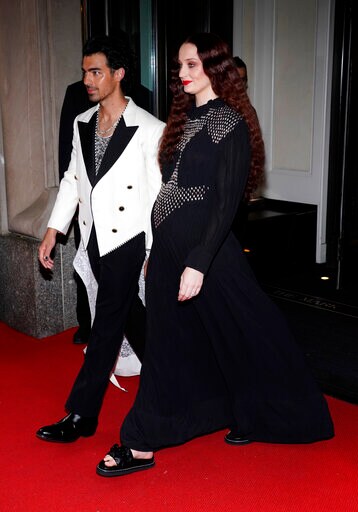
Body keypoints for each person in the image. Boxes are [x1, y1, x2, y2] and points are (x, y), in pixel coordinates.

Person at [95, 33, 334, 477]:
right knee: (169, 343)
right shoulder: (183, 119)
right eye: (179, 67)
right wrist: (157, 249)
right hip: (169, 250)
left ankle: (284, 413)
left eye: (191, 66)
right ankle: (145, 439)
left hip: (208, 252)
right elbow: (169, 188)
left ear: (214, 68)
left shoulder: (231, 122)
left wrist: (199, 262)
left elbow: (226, 202)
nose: (181, 75)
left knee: (248, 331)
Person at [36, 35, 165, 443]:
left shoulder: (149, 129)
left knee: (105, 325)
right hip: (94, 239)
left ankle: (82, 414)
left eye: (96, 72)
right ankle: (180, 380)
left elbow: (159, 196)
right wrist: (54, 229)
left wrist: (151, 251)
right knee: (134, 321)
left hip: (129, 240)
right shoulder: (82, 122)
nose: (88, 80)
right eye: (85, 72)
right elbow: (74, 180)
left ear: (118, 74)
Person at [58, 80, 92, 344]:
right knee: (85, 264)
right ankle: (87, 323)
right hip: (86, 202)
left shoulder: (143, 94)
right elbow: (66, 155)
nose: (88, 78)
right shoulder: (76, 94)